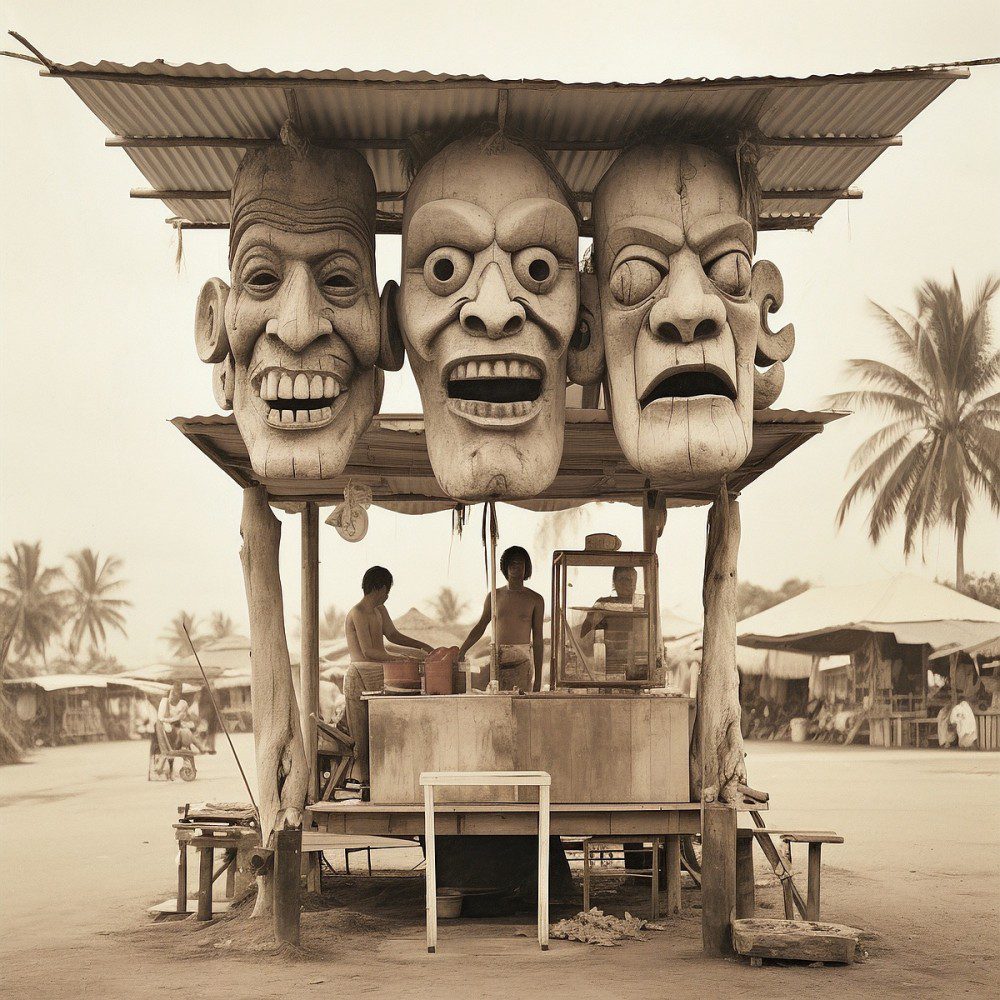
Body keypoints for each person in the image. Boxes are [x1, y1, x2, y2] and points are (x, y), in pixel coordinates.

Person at [343, 566, 434, 787]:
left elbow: (393, 635)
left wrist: (421, 647)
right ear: (379, 587)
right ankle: (365, 785)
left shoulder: (380, 610)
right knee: (361, 737)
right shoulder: (358, 612)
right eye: (387, 590)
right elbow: (369, 652)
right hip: (359, 676)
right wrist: (399, 658)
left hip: (379, 675)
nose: (388, 595)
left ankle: (383, 782)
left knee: (379, 731)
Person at [458, 546, 545, 692]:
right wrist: (462, 650)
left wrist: (538, 680)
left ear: (527, 567)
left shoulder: (535, 599)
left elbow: (538, 640)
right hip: (497, 661)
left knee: (520, 701)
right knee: (496, 700)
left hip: (522, 663)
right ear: (505, 566)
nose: (515, 567)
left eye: (520, 563)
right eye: (512, 563)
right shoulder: (494, 596)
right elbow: (481, 626)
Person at [579, 566, 647, 681]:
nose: (626, 584)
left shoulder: (642, 606)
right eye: (622, 579)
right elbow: (585, 637)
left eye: (630, 580)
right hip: (604, 666)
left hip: (638, 666)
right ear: (614, 582)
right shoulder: (602, 604)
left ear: (635, 583)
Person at [155, 683, 208, 775]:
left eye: (178, 692)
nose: (176, 694)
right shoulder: (165, 703)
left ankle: (196, 750)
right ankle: (199, 747)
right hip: (169, 731)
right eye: (173, 693)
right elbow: (162, 719)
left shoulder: (183, 703)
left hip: (178, 729)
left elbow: (187, 716)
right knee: (185, 732)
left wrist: (194, 721)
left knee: (186, 731)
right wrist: (175, 717)